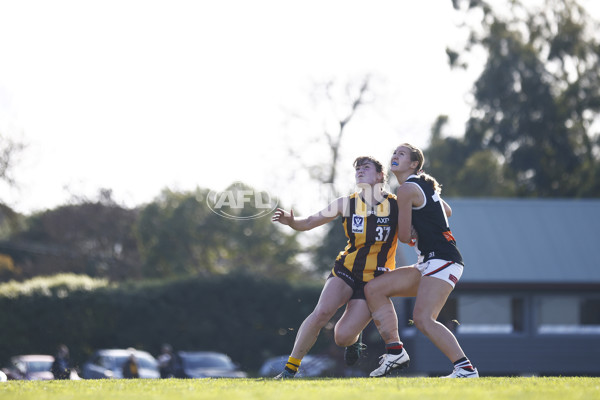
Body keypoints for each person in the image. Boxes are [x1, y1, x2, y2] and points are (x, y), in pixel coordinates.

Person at [271, 156, 399, 378]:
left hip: (374, 281)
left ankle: (354, 340)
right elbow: (310, 222)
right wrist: (293, 223)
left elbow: (429, 219)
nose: (359, 171)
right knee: (321, 313)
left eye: (365, 168)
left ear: (380, 175)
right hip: (346, 270)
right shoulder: (346, 203)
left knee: (342, 337)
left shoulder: (396, 204)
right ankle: (290, 369)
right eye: (357, 168)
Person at [364, 143, 478, 378]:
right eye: (394, 152)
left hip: (443, 260)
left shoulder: (406, 189)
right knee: (374, 289)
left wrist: (411, 225)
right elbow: (446, 210)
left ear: (414, 164)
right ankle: (395, 352)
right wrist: (423, 221)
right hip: (429, 261)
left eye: (402, 154)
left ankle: (465, 369)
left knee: (423, 319)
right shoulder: (419, 185)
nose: (395, 155)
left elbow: (404, 237)